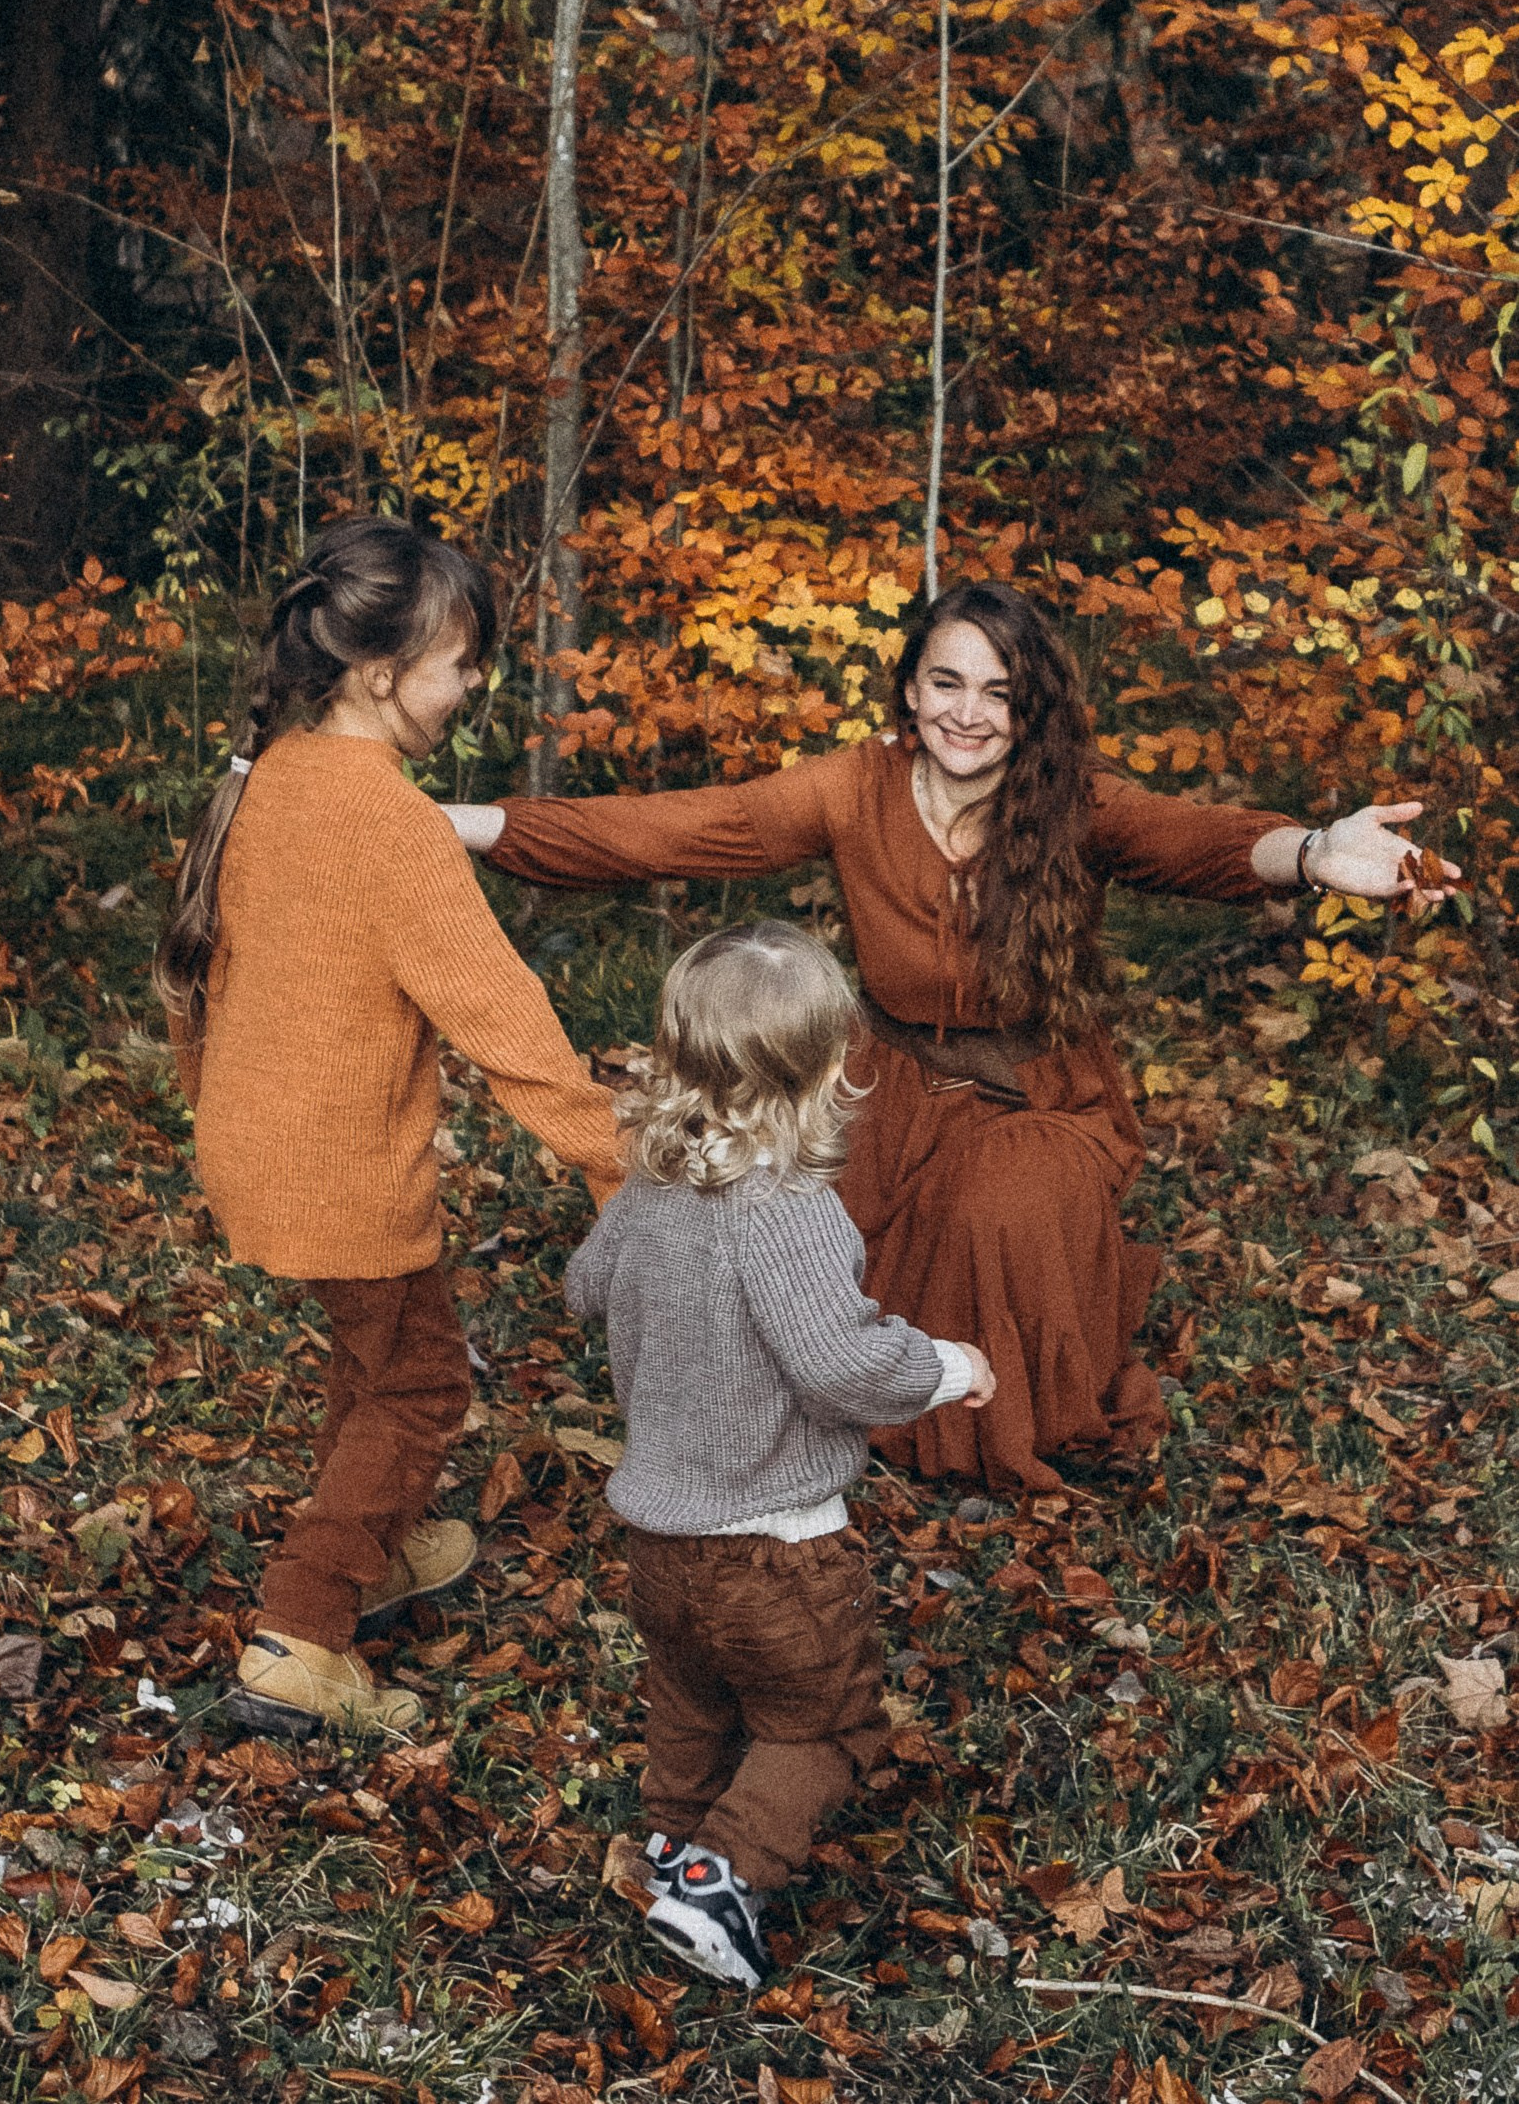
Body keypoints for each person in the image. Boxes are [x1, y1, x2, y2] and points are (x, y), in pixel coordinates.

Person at [447, 580, 1458, 1494]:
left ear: (1030, 707)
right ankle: (849, 1395)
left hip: (1041, 1092)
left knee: (994, 1209)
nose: (967, 713)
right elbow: (680, 826)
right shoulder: (857, 785)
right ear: (909, 688)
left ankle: (998, 1420)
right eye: (946, 682)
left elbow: (1191, 839)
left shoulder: (1072, 795)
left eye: (998, 692)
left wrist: (1313, 850)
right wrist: (466, 824)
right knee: (772, 1223)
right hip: (885, 1088)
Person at [156, 518, 623, 1739]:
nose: (473, 685)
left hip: (256, 1146)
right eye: (460, 663)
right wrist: (611, 1155)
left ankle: (383, 1534)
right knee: (419, 1381)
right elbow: (504, 1018)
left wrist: (216, 1111)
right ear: (378, 672)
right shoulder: (393, 823)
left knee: (375, 1356)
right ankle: (302, 1628)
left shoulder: (271, 778)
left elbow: (201, 980)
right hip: (341, 1171)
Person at [565, 921, 994, 1986]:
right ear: (829, 1069)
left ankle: (668, 1844)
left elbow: (584, 1286)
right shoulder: (787, 1211)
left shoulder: (650, 1190)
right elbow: (838, 1364)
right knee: (827, 1724)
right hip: (775, 1550)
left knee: (692, 1702)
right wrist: (946, 1366)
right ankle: (723, 1875)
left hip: (660, 1541)